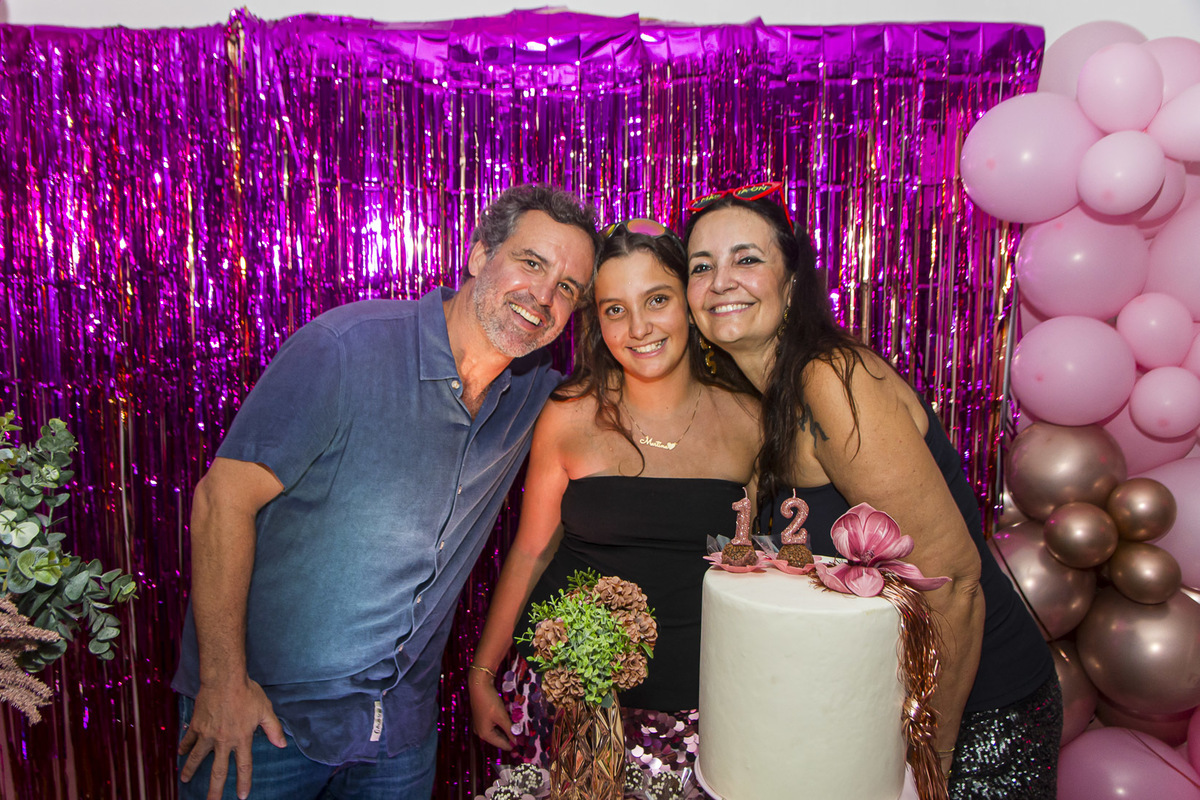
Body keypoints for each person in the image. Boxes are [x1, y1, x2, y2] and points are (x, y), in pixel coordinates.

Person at [172, 184, 600, 800]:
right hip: (264, 719)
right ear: (479, 254)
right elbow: (221, 501)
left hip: (397, 733)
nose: (544, 295)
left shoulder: (537, 397)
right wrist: (221, 684)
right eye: (531, 262)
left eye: (567, 288)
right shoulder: (346, 348)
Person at [683, 183, 1062, 799]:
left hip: (978, 713)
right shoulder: (765, 399)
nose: (721, 280)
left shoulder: (832, 378)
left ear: (791, 282)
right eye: (701, 267)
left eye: (746, 259)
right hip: (878, 716)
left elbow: (955, 583)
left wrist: (930, 760)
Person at [467, 220, 759, 781]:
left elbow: (763, 566)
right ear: (598, 323)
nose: (639, 327)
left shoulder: (749, 419)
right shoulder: (569, 412)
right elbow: (530, 552)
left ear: (690, 303)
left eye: (657, 299)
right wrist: (482, 674)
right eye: (615, 309)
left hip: (700, 711)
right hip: (566, 705)